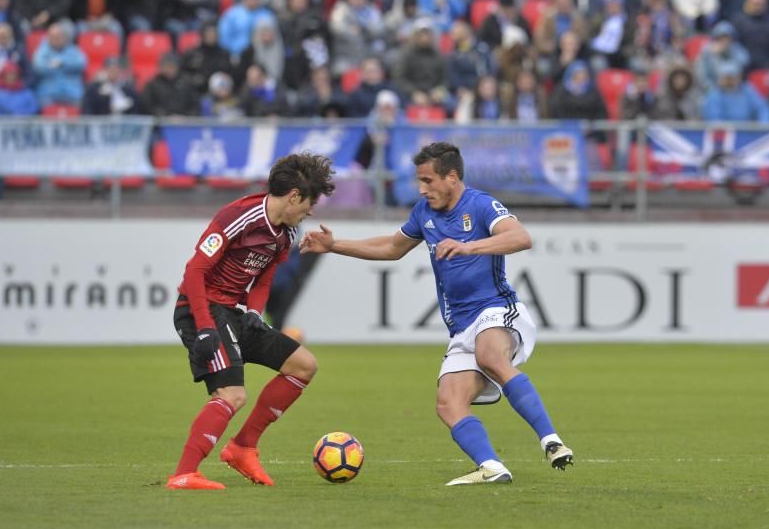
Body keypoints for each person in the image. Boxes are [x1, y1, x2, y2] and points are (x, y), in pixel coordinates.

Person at [301, 142, 574, 485]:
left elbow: (520, 237)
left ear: (452, 177)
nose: (422, 189)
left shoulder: (480, 204)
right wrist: (334, 246)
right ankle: (491, 467)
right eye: (420, 181)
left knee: (490, 355)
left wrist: (469, 245)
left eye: (428, 181)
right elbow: (391, 248)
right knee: (448, 402)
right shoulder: (424, 212)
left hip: (496, 309)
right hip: (461, 327)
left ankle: (551, 441)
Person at [167, 153, 337, 490]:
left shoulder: (286, 234)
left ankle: (243, 448)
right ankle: (184, 474)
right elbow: (195, 270)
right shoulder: (239, 216)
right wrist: (203, 326)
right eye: (310, 202)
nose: (311, 211)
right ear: (293, 197)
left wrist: (255, 314)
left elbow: (263, 277)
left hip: (234, 313)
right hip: (201, 308)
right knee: (232, 394)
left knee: (303, 365)